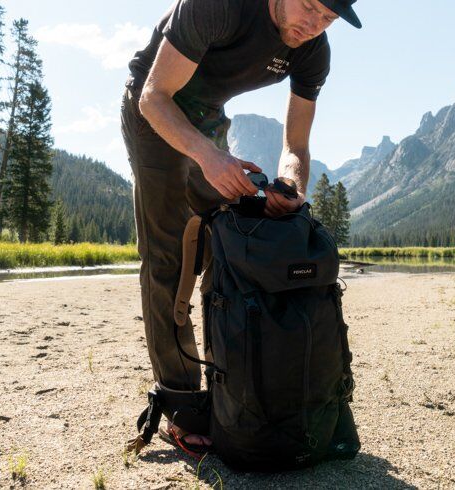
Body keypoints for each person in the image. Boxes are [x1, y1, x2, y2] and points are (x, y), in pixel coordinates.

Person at [120, 0, 361, 451]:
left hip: (208, 115)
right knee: (169, 258)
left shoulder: (313, 50)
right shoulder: (219, 6)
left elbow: (296, 144)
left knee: (228, 247)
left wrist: (290, 183)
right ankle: (181, 402)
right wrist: (210, 157)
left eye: (327, 19)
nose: (313, 25)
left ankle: (232, 384)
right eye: (309, 7)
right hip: (155, 108)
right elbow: (154, 97)